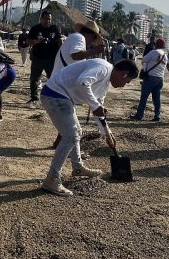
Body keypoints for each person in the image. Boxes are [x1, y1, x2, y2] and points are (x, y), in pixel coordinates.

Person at [40, 58, 139, 196]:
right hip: (54, 94)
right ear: (124, 74)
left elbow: (98, 111)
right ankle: (52, 179)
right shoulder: (103, 67)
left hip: (64, 98)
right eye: (127, 81)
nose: (124, 85)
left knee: (77, 133)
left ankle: (78, 167)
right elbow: (83, 82)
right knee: (71, 136)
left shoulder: (104, 86)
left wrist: (107, 133)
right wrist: (96, 106)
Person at [27, 11, 63, 103]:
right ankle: (34, 98)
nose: (48, 21)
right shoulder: (35, 28)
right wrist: (37, 41)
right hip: (38, 57)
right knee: (34, 78)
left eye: (49, 19)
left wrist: (61, 52)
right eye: (46, 19)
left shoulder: (54, 29)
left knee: (52, 78)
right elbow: (28, 41)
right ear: (41, 19)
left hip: (52, 59)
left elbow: (59, 41)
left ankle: (53, 96)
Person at [130, 38, 167, 121]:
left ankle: (139, 115)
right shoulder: (165, 55)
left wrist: (146, 67)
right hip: (160, 78)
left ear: (156, 44)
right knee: (157, 98)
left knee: (144, 97)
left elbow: (144, 60)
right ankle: (157, 115)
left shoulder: (154, 52)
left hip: (150, 77)